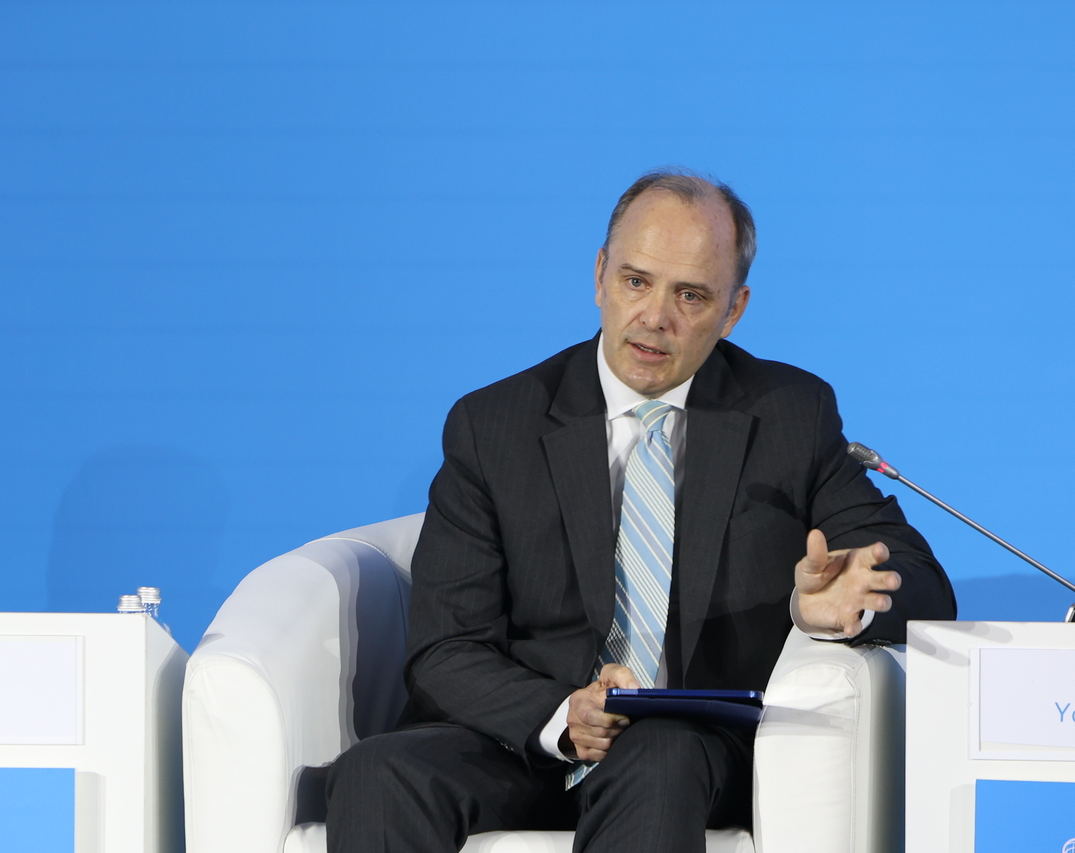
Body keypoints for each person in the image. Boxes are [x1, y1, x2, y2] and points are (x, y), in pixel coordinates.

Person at [325, 170, 956, 852]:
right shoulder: (494, 425)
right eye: (636, 281)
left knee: (658, 750)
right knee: (379, 770)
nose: (656, 316)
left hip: (689, 755)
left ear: (734, 309)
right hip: (524, 741)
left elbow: (921, 581)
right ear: (600, 275)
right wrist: (561, 712)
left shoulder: (787, 414)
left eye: (691, 294)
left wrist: (840, 605)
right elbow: (446, 648)